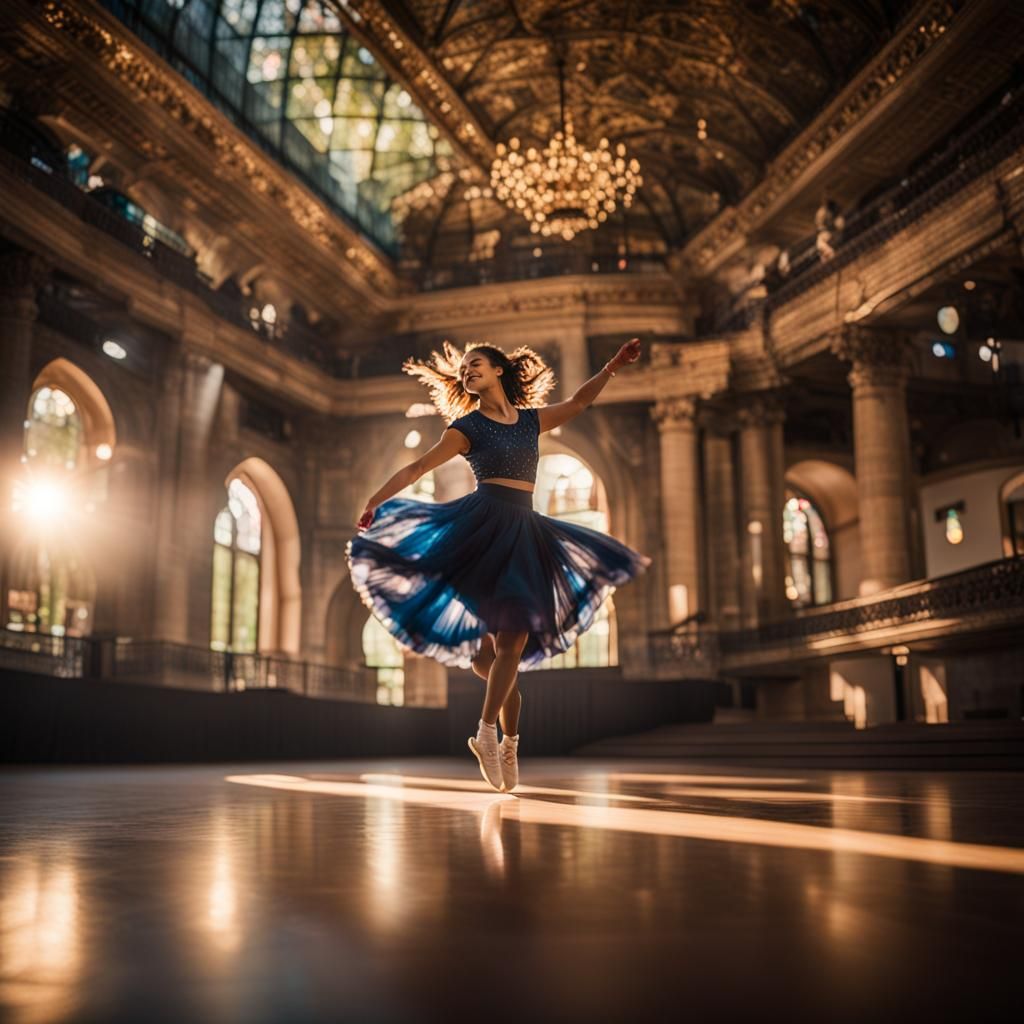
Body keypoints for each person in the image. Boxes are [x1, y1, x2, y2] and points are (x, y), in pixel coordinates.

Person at [346, 338, 652, 793]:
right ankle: (495, 734)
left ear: (499, 371)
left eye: (476, 365)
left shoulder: (530, 421)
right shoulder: (466, 427)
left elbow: (579, 402)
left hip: (526, 533)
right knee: (492, 656)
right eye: (464, 368)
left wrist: (613, 365)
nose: (467, 372)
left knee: (507, 647)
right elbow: (418, 469)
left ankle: (501, 738)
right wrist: (374, 499)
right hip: (482, 532)